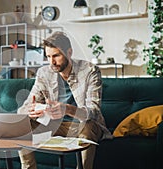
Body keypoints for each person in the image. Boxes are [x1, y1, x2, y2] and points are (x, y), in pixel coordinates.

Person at [17, 31, 112, 169]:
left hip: (82, 125)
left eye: (56, 55)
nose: (52, 62)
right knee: (22, 124)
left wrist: (67, 109)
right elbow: (24, 107)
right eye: (48, 56)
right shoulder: (44, 73)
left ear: (69, 52)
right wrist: (29, 111)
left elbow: (93, 111)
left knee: (87, 125)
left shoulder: (90, 71)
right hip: (55, 125)